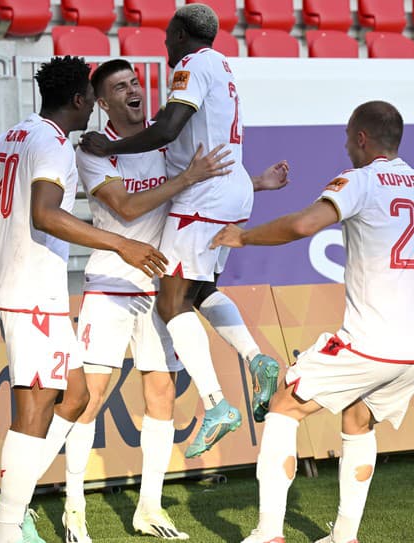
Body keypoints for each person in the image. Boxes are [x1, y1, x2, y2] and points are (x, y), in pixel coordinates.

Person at [211, 101, 414, 543]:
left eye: (349, 137)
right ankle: (344, 536)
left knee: (284, 407)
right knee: (358, 419)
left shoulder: (361, 181)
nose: (346, 145)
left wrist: (244, 236)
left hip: (371, 341)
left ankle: (269, 532)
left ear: (362, 139)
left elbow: (306, 224)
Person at [62, 58, 290, 543]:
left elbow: (203, 186)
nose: (133, 90)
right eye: (120, 87)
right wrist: (187, 178)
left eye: (135, 82)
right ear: (102, 103)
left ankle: (148, 508)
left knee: (161, 395)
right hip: (111, 287)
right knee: (91, 396)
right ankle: (74, 508)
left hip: (161, 283)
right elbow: (126, 205)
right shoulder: (95, 150)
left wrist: (256, 183)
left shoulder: (163, 139)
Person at [0, 56, 167, 543]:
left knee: (77, 396)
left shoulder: (9, 136)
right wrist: (122, 243)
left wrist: (3, 201)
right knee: (35, 409)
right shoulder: (52, 144)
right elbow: (45, 215)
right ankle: (8, 526)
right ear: (80, 100)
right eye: (91, 98)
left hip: (25, 289)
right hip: (30, 292)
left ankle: (11, 498)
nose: (93, 107)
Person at [79, 3, 281, 459]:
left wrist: (112, 145)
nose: (166, 44)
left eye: (169, 35)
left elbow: (169, 129)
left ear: (184, 36)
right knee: (200, 288)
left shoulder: (191, 64)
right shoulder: (223, 65)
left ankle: (216, 405)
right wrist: (258, 183)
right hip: (229, 187)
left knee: (171, 303)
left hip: (204, 197)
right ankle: (257, 359)